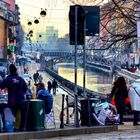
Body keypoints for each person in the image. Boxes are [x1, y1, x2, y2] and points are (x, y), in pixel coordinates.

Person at [0, 64, 27, 131]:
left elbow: (1, 85)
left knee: (16, 112)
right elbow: (25, 87)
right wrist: (22, 93)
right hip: (21, 99)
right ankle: (19, 127)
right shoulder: (20, 79)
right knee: (19, 112)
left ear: (10, 71)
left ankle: (16, 127)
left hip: (13, 100)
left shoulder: (8, 79)